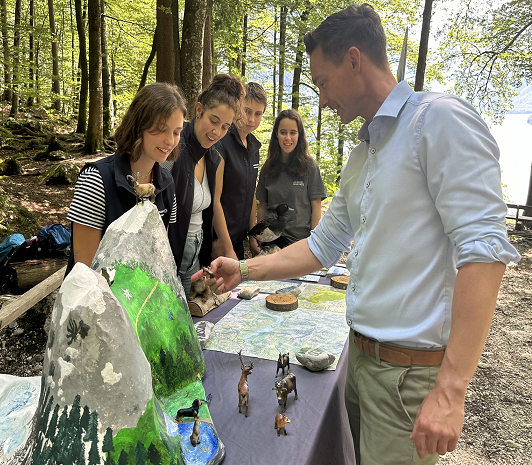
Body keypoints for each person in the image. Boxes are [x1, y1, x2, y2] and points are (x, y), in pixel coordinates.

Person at [193, 4, 520, 464]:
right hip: (359, 363)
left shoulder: (439, 120)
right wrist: (243, 268)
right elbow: (323, 245)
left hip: (409, 377)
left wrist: (451, 389)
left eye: (323, 82)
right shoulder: (363, 155)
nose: (322, 100)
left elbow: (485, 250)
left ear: (353, 59)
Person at [65, 82, 186, 275]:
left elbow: (159, 258)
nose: (170, 141)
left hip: (142, 299)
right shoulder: (96, 180)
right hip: (95, 299)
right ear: (139, 126)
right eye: (161, 129)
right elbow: (85, 273)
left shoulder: (166, 185)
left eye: (176, 132)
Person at [167, 74, 244, 297]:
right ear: (199, 109)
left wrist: (230, 252)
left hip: (196, 257)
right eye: (214, 120)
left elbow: (215, 204)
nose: (217, 132)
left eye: (225, 127)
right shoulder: (172, 149)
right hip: (171, 256)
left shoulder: (213, 158)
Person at [212, 82, 268, 260]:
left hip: (238, 243)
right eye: (247, 111)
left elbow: (251, 194)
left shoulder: (254, 148)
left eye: (258, 114)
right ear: (237, 108)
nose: (251, 119)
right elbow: (215, 198)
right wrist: (225, 245)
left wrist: (253, 237)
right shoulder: (221, 142)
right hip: (217, 242)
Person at [255, 108, 326, 249]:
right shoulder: (267, 168)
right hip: (272, 244)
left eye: (292, 132)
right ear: (276, 135)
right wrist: (260, 239)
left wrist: (313, 242)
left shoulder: (309, 167)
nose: (288, 138)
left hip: (300, 243)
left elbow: (316, 206)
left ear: (299, 135)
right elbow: (262, 206)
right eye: (283, 132)